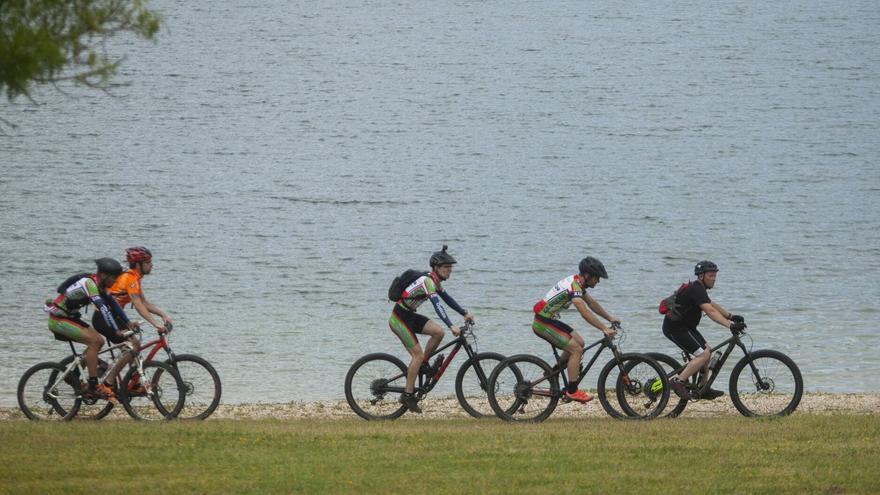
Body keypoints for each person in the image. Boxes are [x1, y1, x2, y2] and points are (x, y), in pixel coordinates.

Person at [389, 246, 474, 413]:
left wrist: (464, 313)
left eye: (450, 267)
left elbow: (447, 299)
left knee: (438, 333)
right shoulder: (427, 281)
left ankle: (422, 364)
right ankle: (407, 395)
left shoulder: (435, 281)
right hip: (399, 319)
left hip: (409, 315)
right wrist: (451, 325)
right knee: (417, 355)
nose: (449, 270)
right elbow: (437, 305)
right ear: (436, 268)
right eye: (446, 267)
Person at [44, 258, 138, 402]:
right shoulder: (89, 284)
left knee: (99, 342)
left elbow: (113, 304)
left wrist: (128, 322)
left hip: (69, 318)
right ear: (104, 276)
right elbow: (103, 308)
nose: (116, 281)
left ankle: (73, 374)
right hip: (58, 320)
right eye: (114, 277)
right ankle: (93, 385)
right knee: (95, 342)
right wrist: (116, 330)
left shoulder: (100, 286)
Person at [532, 257, 619, 404]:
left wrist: (609, 318)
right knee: (576, 350)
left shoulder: (577, 283)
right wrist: (604, 328)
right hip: (542, 323)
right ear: (587, 275)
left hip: (548, 320)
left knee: (580, 342)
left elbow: (592, 303)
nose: (598, 281)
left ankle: (552, 372)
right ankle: (572, 391)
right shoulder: (574, 286)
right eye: (597, 277)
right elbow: (584, 312)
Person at [662, 261, 746, 400]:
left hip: (686, 327)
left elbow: (710, 304)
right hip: (675, 328)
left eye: (715, 276)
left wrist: (730, 316)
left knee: (708, 351)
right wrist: (730, 325)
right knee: (703, 355)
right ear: (701, 276)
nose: (714, 279)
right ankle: (678, 381)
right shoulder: (696, 288)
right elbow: (710, 311)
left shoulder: (699, 289)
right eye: (711, 275)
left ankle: (703, 387)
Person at [96, 246, 173, 393]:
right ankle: (108, 383)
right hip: (105, 317)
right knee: (132, 346)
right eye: (148, 262)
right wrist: (156, 324)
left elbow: (144, 303)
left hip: (114, 317)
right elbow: (138, 305)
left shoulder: (134, 278)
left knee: (134, 345)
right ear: (138, 265)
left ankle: (133, 382)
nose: (151, 265)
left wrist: (163, 315)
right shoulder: (130, 278)